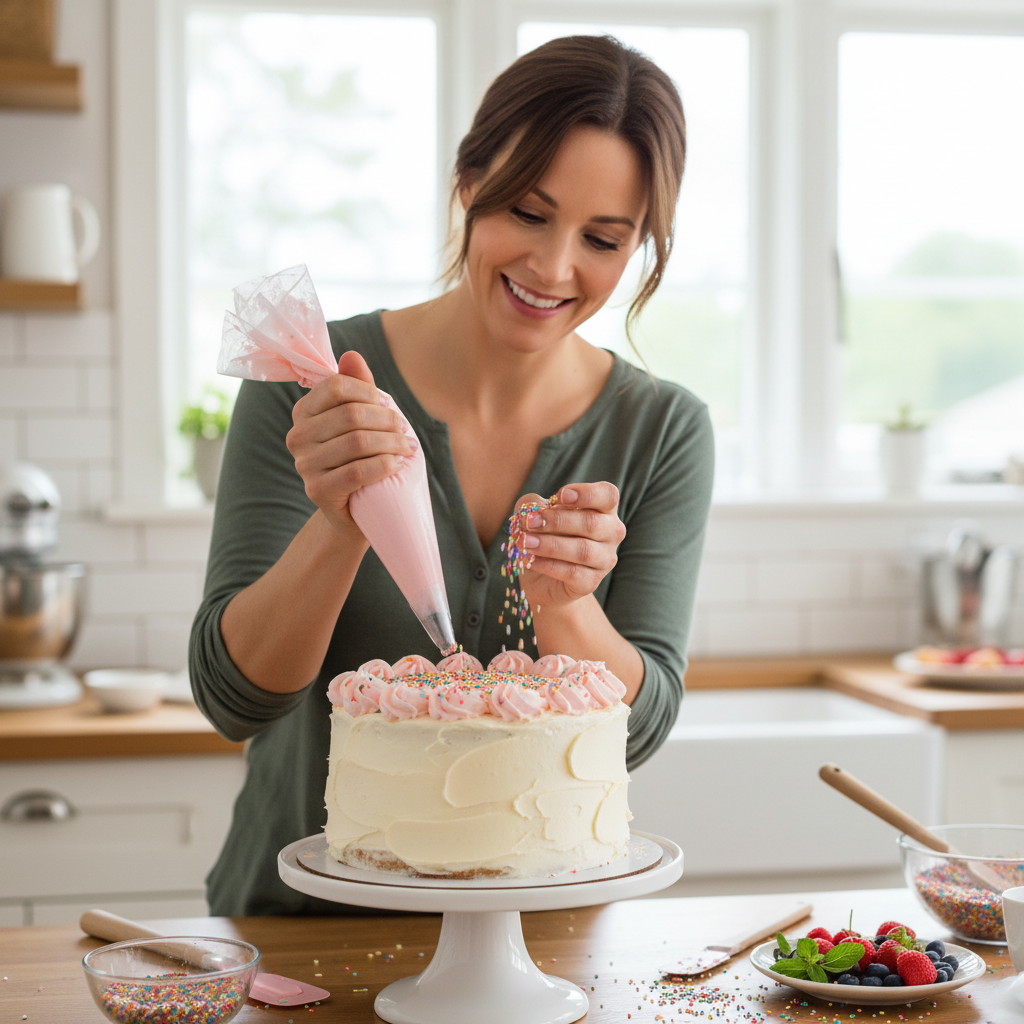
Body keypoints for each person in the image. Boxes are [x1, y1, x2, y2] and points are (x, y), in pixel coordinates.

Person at [190, 34, 714, 916]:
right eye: (529, 212)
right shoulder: (318, 382)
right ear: (469, 184)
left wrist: (567, 602)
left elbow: (634, 730)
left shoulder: (662, 429)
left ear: (640, 251)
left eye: (602, 238)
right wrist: (339, 520)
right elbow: (232, 697)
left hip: (544, 948)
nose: (553, 267)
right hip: (303, 940)